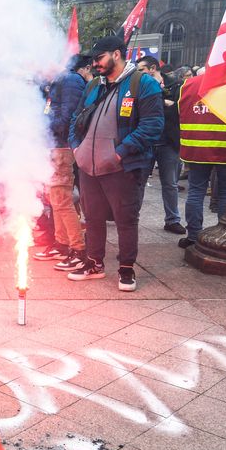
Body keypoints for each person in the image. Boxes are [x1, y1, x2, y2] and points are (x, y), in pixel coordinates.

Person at [67, 35, 164, 291]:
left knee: (126, 219)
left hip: (123, 167)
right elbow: (76, 118)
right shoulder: (94, 86)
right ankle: (94, 263)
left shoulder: (143, 84)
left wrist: (120, 153)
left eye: (99, 58)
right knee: (93, 217)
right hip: (88, 166)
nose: (95, 64)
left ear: (117, 54)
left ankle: (126, 269)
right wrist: (77, 148)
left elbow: (152, 126)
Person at [176, 73, 226, 248]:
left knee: (196, 191)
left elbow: (181, 111)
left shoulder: (188, 84)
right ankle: (224, 236)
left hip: (197, 147)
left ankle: (193, 235)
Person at [38, 56, 90, 269]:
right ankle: (61, 244)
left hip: (62, 147)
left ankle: (77, 249)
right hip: (54, 145)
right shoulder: (59, 83)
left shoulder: (70, 81)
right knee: (55, 199)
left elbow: (67, 118)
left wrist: (43, 127)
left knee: (62, 199)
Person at [137, 56, 184, 236]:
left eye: (142, 70)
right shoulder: (138, 86)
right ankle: (132, 216)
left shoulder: (176, 85)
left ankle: (173, 220)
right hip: (146, 142)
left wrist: (165, 104)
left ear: (153, 68)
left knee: (170, 184)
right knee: (138, 182)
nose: (139, 73)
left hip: (168, 142)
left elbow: (181, 109)